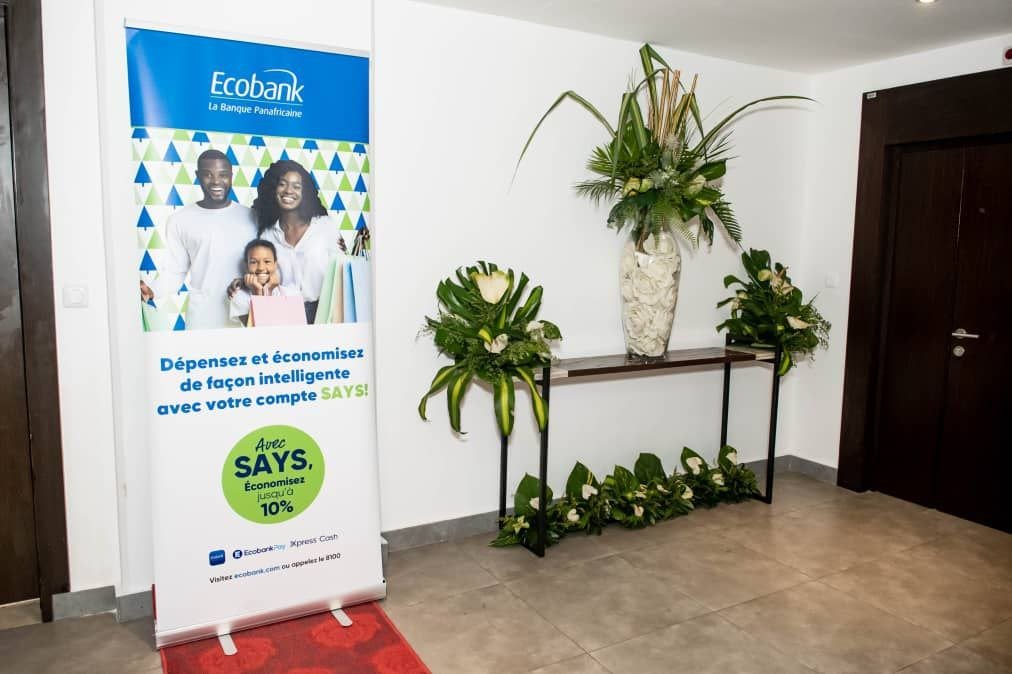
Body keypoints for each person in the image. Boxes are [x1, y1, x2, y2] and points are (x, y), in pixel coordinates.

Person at [141, 149, 256, 329]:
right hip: (203, 317)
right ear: (197, 176)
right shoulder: (180, 220)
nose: (216, 181)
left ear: (231, 176)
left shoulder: (252, 217)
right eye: (208, 174)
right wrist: (152, 290)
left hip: (246, 313)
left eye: (223, 175)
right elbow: (176, 270)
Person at [252, 160, 345, 323]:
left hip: (324, 315)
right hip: (282, 315)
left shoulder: (325, 227)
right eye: (282, 184)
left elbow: (343, 273)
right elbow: (263, 277)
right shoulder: (267, 236)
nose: (288, 191)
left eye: (296, 186)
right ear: (273, 189)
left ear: (305, 192)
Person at [227, 239, 301, 325]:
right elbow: (258, 331)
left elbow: (296, 331)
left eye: (267, 261)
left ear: (275, 265)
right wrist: (257, 292)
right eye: (253, 262)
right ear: (247, 266)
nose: (261, 267)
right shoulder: (239, 297)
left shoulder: (292, 294)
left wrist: (269, 290)